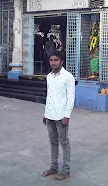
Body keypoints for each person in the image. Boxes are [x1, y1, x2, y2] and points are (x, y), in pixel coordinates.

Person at [42, 51, 75, 181]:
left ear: (62, 61)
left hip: (61, 116)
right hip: (50, 115)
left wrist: (67, 116)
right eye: (51, 60)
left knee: (64, 143)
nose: (53, 62)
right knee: (53, 142)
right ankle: (53, 167)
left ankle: (66, 171)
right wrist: (45, 114)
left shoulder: (67, 76)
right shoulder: (49, 76)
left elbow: (70, 98)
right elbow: (49, 96)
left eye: (56, 60)